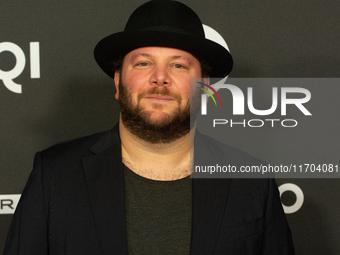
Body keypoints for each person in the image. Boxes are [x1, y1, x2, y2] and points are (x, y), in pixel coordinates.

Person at [4, 1, 295, 254]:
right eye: (143, 63)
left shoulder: (252, 180)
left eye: (179, 66)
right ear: (118, 82)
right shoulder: (55, 175)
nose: (160, 78)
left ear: (204, 87)